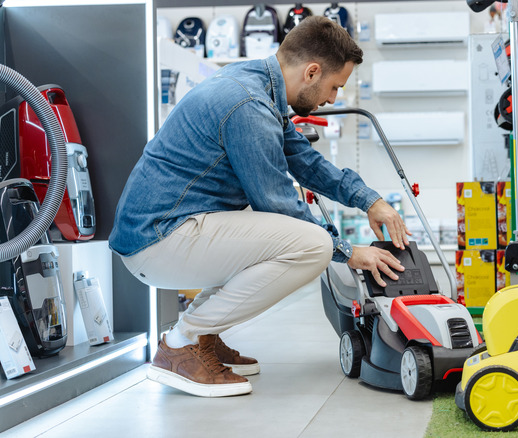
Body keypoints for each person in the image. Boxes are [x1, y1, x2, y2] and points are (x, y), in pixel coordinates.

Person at [109, 16, 410, 398]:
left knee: (289, 235)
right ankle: (181, 344)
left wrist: (371, 200)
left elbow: (305, 161)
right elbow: (279, 202)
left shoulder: (257, 86)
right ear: (312, 71)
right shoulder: (248, 104)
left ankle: (202, 334)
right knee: (314, 245)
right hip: (159, 239)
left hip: (167, 231)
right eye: (334, 87)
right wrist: (348, 252)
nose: (333, 99)